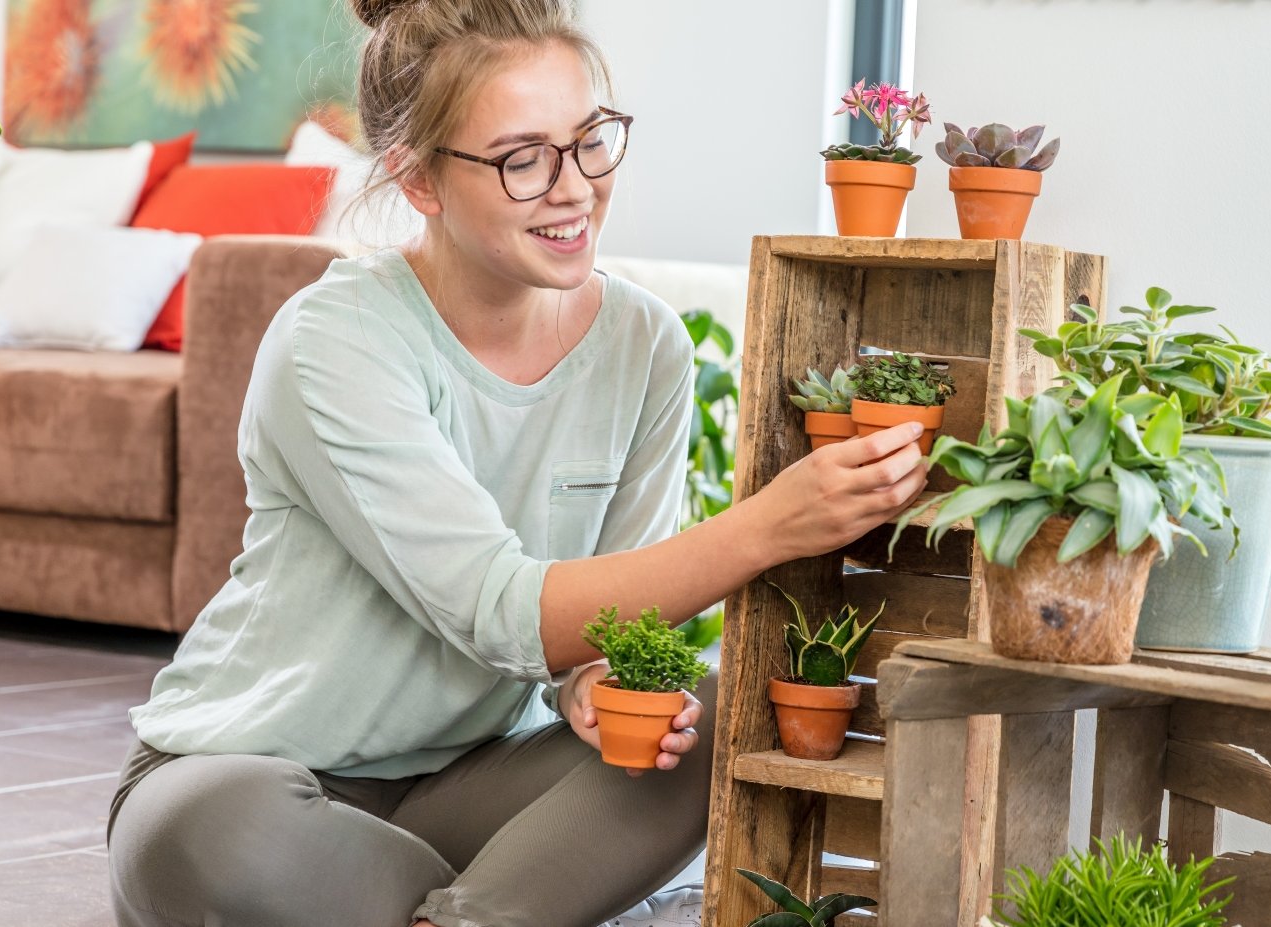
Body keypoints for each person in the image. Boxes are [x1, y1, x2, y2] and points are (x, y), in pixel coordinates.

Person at [103, 1, 928, 925]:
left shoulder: (643, 343)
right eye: (523, 158)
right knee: (221, 841)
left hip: (473, 786)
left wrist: (593, 683)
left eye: (591, 140)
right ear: (418, 180)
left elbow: (616, 628)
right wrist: (772, 526)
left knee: (707, 720)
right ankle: (494, 907)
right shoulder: (334, 340)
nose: (574, 187)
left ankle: (458, 912)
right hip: (251, 772)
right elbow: (500, 613)